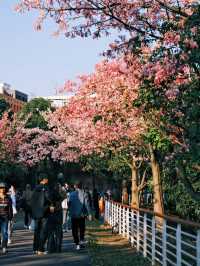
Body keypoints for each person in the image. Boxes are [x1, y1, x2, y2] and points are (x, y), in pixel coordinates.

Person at [39, 182, 65, 254]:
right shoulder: (60, 195)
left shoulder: (49, 195)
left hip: (51, 214)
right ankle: (58, 248)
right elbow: (64, 196)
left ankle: (50, 248)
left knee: (50, 232)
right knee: (59, 232)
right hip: (59, 213)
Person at [68, 181, 91, 250]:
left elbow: (69, 204)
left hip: (73, 214)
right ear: (81, 186)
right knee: (81, 228)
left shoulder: (71, 194)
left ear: (75, 186)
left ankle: (77, 243)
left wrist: (71, 210)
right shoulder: (84, 194)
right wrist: (89, 213)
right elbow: (87, 205)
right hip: (81, 214)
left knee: (74, 229)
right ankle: (81, 241)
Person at [30, 176, 49, 255]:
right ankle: (41, 249)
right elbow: (48, 198)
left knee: (37, 231)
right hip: (44, 212)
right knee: (43, 231)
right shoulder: (45, 188)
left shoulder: (34, 189)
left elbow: (31, 201)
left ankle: (35, 248)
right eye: (47, 178)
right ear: (44, 180)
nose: (48, 180)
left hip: (35, 213)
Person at [0, 182, 13, 254]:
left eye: (3, 188)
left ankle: (4, 247)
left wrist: (10, 217)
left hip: (5, 217)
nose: (2, 189)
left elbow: (10, 208)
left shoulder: (8, 198)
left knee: (5, 232)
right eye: (1, 188)